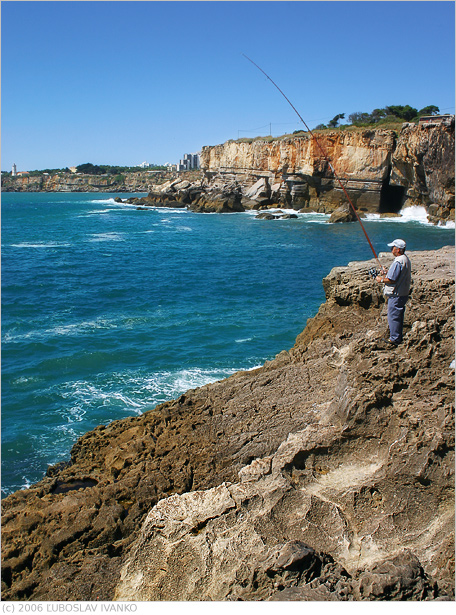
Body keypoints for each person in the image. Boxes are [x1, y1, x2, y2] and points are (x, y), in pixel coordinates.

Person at [376, 239, 412, 346]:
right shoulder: (405, 259)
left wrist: (381, 279)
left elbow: (392, 280)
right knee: (397, 315)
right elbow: (397, 274)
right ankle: (396, 337)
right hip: (402, 293)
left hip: (396, 294)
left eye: (393, 247)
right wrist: (387, 272)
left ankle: (395, 339)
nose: (391, 249)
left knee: (393, 316)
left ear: (398, 249)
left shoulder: (398, 261)